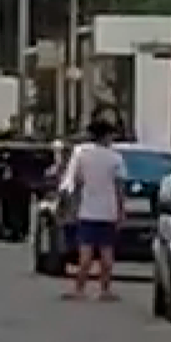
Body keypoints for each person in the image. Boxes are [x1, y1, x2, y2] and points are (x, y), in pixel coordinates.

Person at [63, 118, 126, 301]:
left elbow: (75, 182)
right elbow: (119, 187)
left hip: (87, 210)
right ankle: (104, 290)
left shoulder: (82, 154)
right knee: (107, 255)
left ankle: (79, 289)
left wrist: (72, 207)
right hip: (108, 211)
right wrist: (121, 210)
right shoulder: (115, 158)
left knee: (86, 255)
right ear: (107, 136)